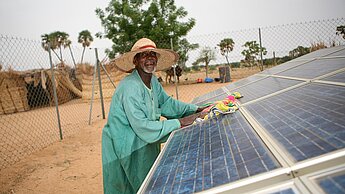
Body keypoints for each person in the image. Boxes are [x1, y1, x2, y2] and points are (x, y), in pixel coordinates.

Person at [102, 38, 205, 194]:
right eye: (144, 55)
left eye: (152, 54)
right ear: (135, 61)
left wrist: (196, 109)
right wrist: (181, 122)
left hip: (144, 144)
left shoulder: (153, 82)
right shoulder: (130, 88)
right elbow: (143, 127)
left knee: (148, 183)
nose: (149, 58)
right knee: (126, 187)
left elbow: (167, 104)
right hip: (124, 148)